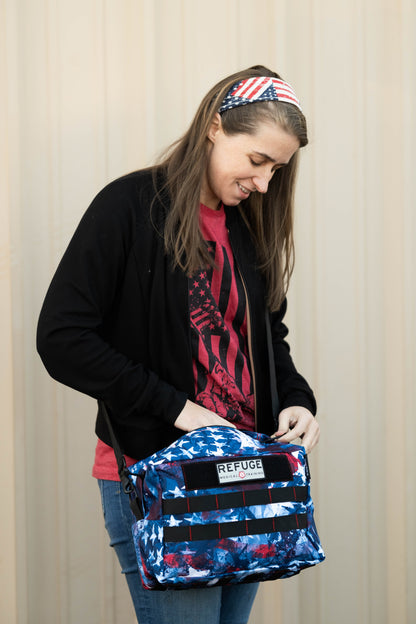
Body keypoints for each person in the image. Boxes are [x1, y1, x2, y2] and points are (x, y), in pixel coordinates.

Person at [37, 64, 320, 624]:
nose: (265, 183)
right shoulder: (128, 206)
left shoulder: (247, 224)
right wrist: (179, 410)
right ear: (215, 127)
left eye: (277, 169)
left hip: (248, 473)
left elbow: (267, 335)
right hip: (161, 474)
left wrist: (296, 398)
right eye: (257, 160)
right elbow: (62, 337)